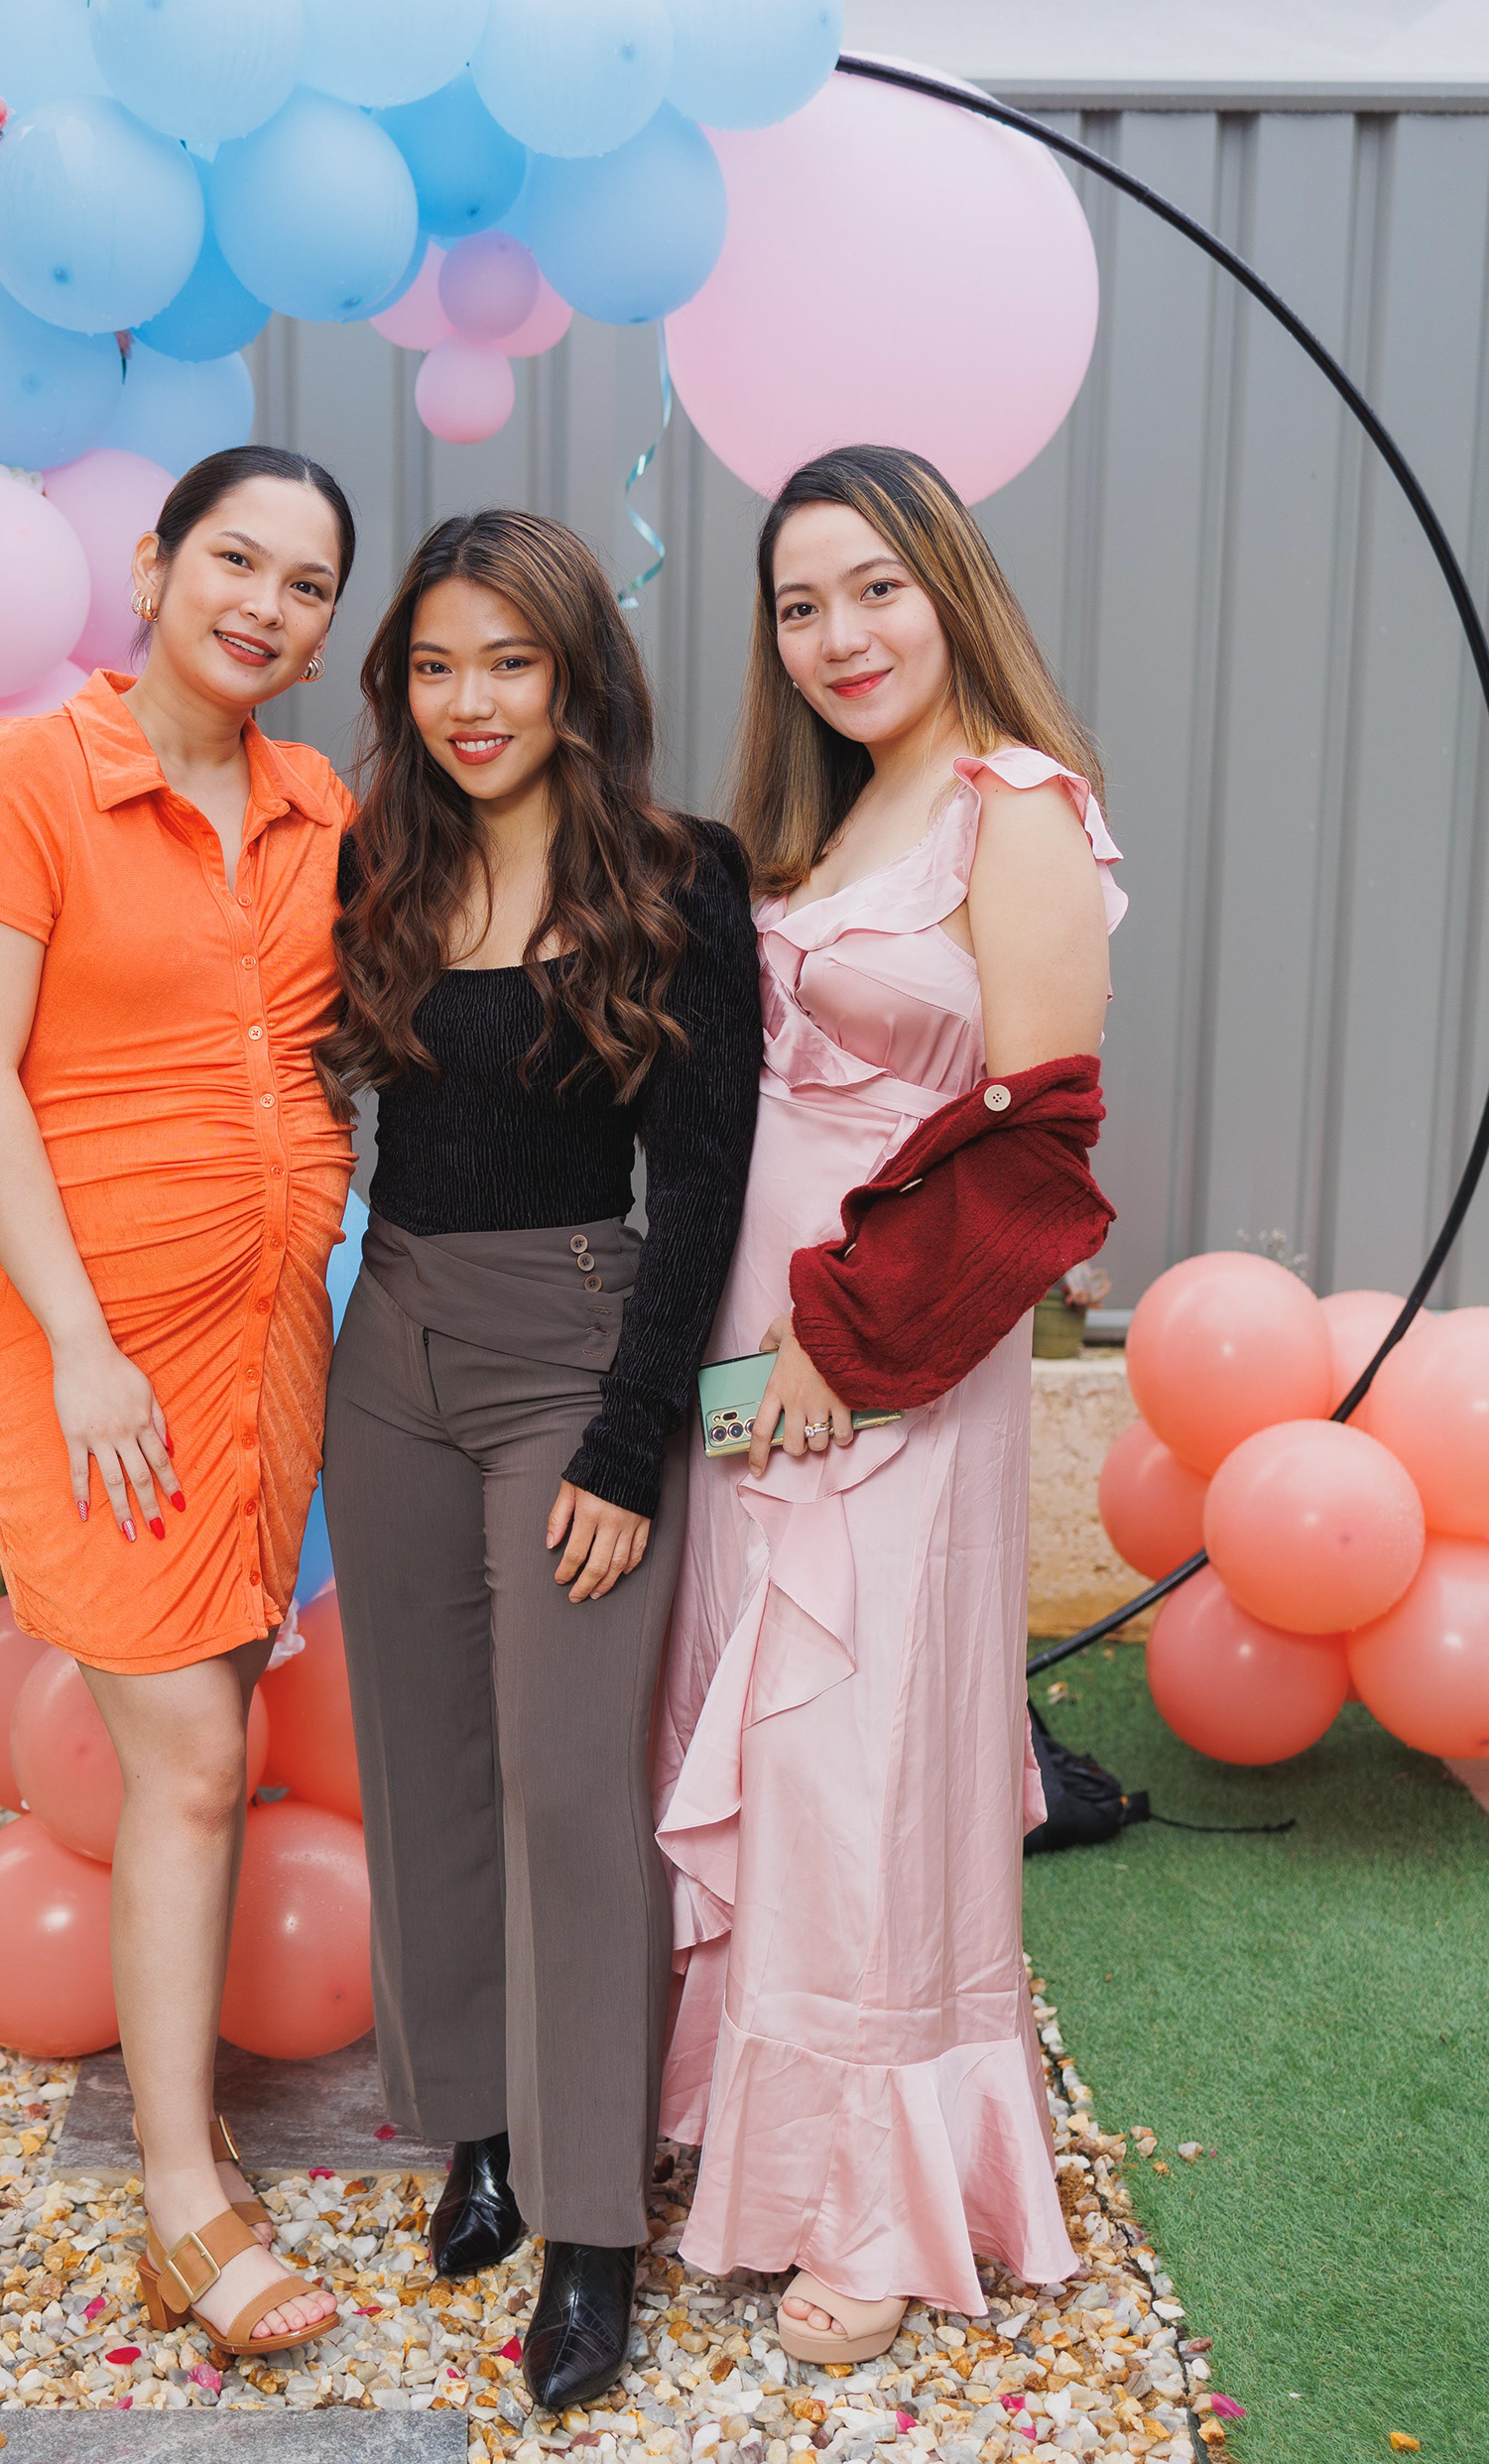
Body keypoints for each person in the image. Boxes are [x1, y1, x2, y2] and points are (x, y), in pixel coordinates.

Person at [654, 444, 1126, 2363]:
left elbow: (1039, 1146)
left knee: (867, 1756)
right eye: (799, 605)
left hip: (894, 1362)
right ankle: (755, 2135)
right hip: (755, 1363)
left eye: (874, 589)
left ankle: (874, 2196)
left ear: (949, 589)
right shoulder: (829, 822)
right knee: (765, 1735)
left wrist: (841, 1353)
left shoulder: (1020, 809)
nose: (839, 635)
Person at [316, 510, 763, 2412]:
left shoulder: (679, 875)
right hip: (390, 1343)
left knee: (571, 1782)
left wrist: (632, 1437)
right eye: (434, 665)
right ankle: (477, 2127)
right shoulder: (380, 861)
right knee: (421, 1758)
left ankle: (592, 2230)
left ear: (577, 671)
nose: (469, 701)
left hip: (574, 1350)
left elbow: (706, 1184)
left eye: (507, 660)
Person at [0, 444, 360, 2367]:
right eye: (235, 560)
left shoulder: (321, 807)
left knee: (221, 1723)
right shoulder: (36, 777)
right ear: (155, 564)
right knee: (188, 1755)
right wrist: (81, 1341)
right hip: (96, 1346)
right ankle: (183, 2193)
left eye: (306, 584)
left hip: (268, 1337)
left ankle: (190, 2146)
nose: (264, 605)